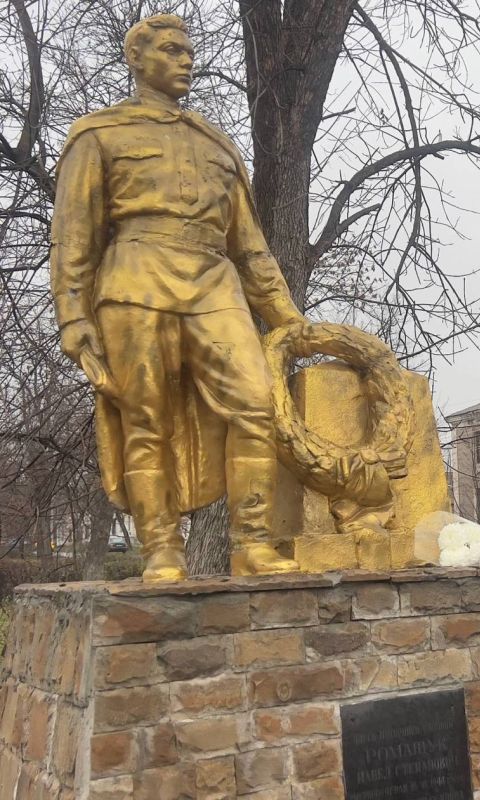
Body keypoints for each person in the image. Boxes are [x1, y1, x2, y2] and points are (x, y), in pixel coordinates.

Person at [50, 14, 305, 581]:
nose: (186, 59)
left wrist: (289, 319)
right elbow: (74, 233)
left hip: (214, 284)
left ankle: (253, 542)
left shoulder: (216, 144)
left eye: (188, 50)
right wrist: (73, 315)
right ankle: (161, 548)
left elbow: (252, 247)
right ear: (137, 59)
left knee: (258, 404)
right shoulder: (99, 135)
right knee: (145, 418)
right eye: (170, 50)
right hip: (134, 283)